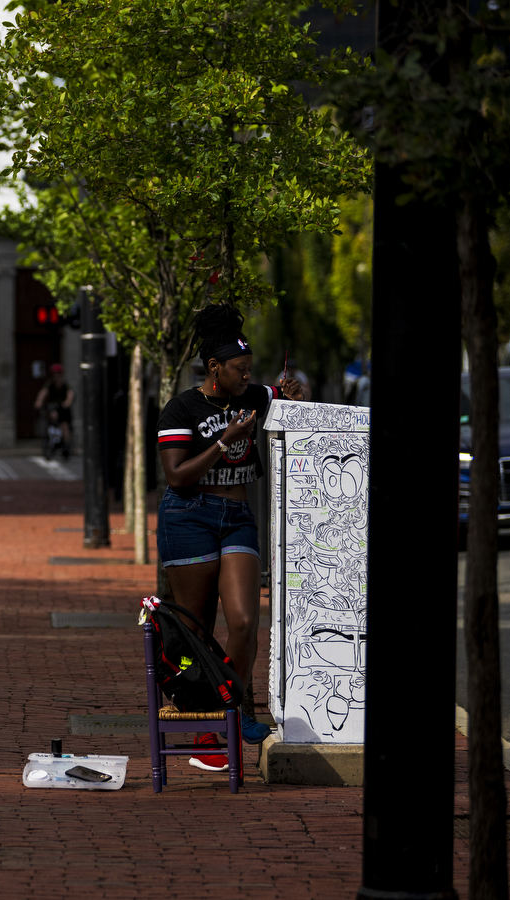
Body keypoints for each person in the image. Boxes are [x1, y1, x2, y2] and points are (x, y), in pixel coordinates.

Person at [155, 304, 304, 771]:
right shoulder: (181, 408)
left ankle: (233, 711)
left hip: (237, 514)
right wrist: (224, 441)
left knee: (242, 621)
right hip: (189, 515)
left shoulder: (254, 395)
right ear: (214, 368)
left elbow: (287, 397)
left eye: (250, 370)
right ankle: (207, 727)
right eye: (239, 370)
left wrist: (292, 395)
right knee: (197, 630)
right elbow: (177, 476)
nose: (247, 378)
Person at [33, 363, 75, 450]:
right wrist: (39, 401)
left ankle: (66, 443)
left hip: (63, 408)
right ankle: (50, 438)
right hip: (53, 406)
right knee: (51, 418)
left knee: (64, 424)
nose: (56, 376)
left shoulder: (65, 384)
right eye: (54, 374)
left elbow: (70, 394)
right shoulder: (50, 383)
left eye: (58, 374)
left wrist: (68, 402)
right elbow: (43, 392)